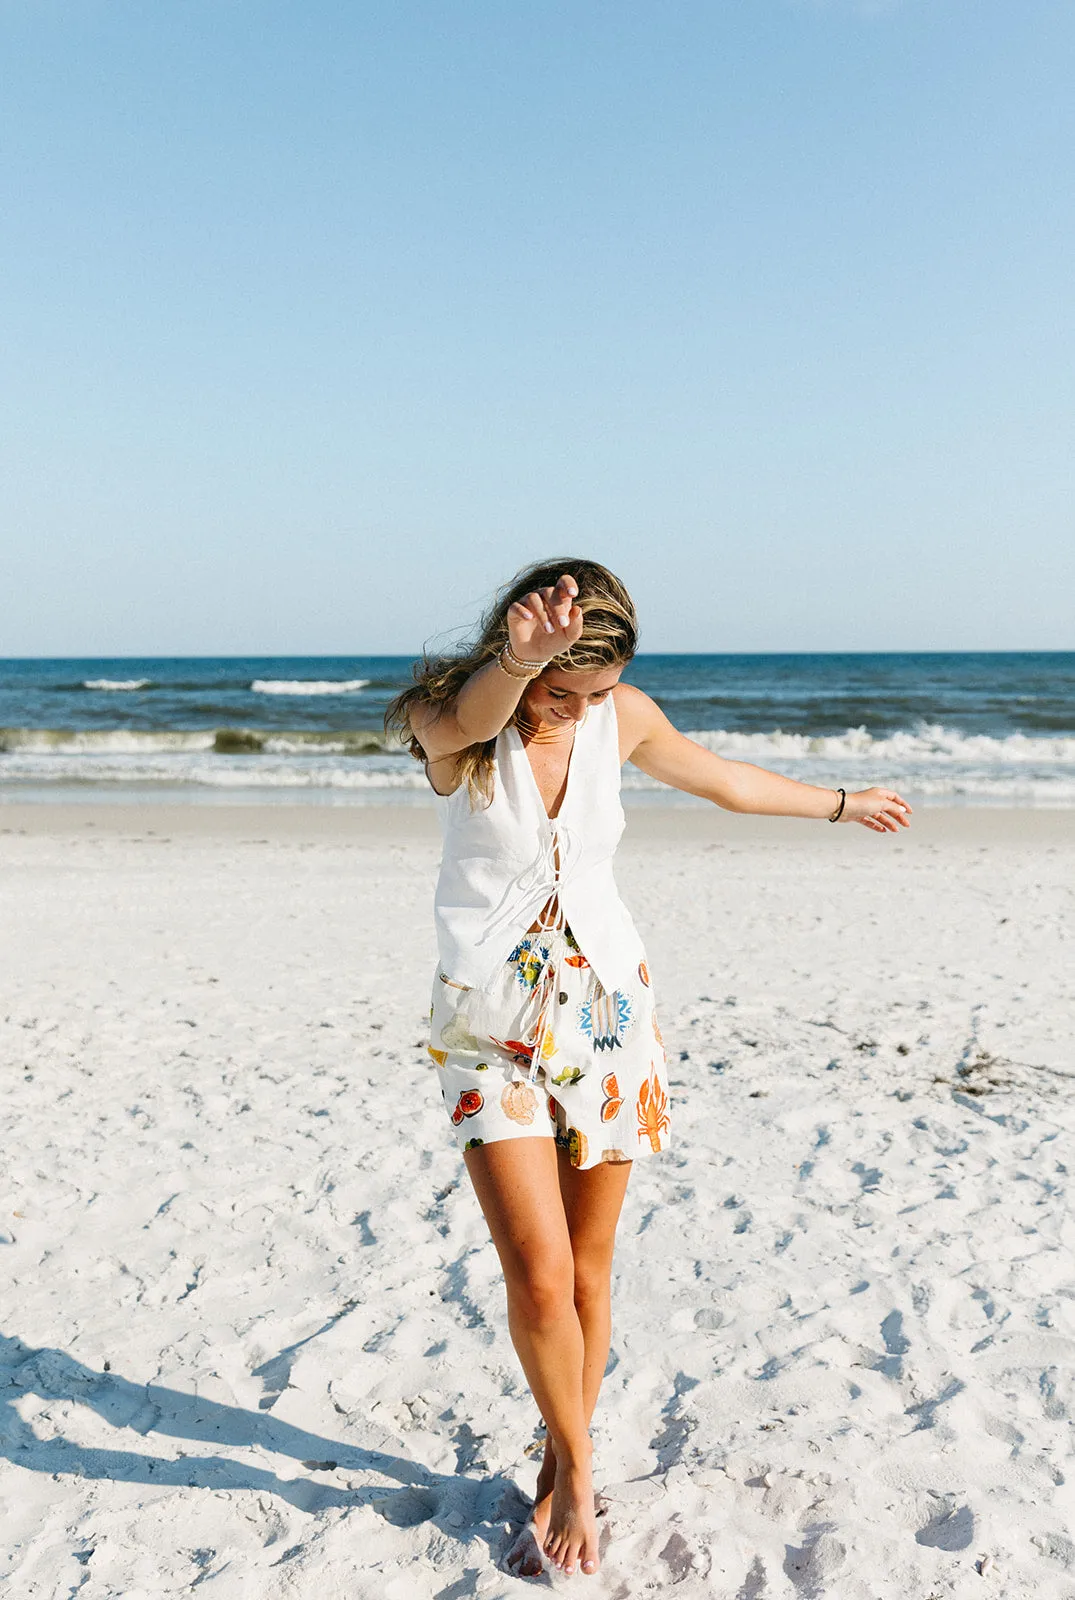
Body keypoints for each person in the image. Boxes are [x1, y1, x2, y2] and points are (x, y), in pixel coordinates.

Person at [385, 558, 911, 1579]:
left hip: (610, 1020)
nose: (577, 710)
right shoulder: (451, 714)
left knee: (587, 1269)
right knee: (536, 1279)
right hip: (488, 1029)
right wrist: (514, 665)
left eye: (593, 693)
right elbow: (464, 721)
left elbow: (721, 780)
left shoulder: (617, 715)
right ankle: (577, 1472)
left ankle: (562, 1444)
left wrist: (840, 802)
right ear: (517, 651)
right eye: (559, 691)